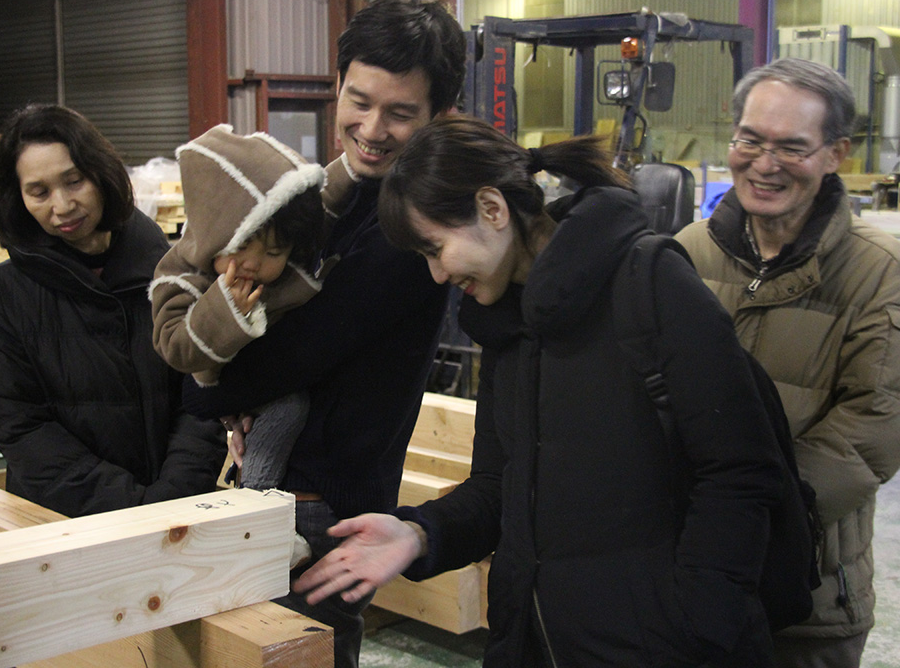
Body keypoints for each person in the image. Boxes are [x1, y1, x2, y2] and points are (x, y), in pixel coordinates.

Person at [294, 115, 786, 668]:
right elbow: (496, 488)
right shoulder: (507, 327)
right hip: (530, 642)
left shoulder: (650, 284)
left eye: (436, 248)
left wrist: (698, 627)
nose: (435, 276)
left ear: (492, 209)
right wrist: (418, 534)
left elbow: (740, 474)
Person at [180, 0, 467, 667]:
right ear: (336, 84)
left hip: (325, 511)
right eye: (359, 101)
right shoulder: (329, 195)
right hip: (282, 486)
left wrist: (205, 392)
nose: (371, 128)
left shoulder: (406, 231)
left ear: (438, 117)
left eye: (400, 113)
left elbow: (300, 351)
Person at [675, 57, 900, 668]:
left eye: (791, 147)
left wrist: (749, 515)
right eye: (750, 139)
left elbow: (874, 425)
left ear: (837, 154)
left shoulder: (882, 271)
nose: (764, 162)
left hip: (806, 594)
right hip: (685, 577)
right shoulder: (686, 252)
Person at [0, 103, 227, 518]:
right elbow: (22, 427)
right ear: (17, 198)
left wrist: (170, 500)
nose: (62, 205)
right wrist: (131, 507)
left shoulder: (172, 271)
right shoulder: (3, 295)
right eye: (39, 192)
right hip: (64, 526)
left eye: (74, 181)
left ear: (101, 174)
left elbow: (202, 394)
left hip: (178, 516)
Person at [150, 123, 354, 490]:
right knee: (288, 409)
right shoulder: (181, 273)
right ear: (215, 231)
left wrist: (354, 166)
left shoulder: (285, 257)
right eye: (240, 245)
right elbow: (174, 345)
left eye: (274, 252)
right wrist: (225, 311)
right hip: (229, 382)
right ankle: (258, 498)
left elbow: (324, 197)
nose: (253, 263)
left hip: (267, 377)